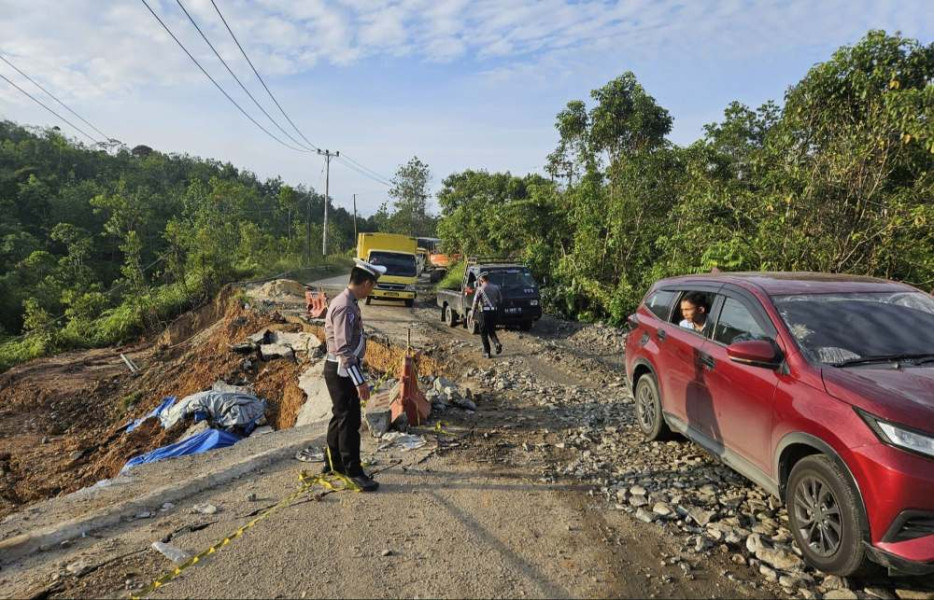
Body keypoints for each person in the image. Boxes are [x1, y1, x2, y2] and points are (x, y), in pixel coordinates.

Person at [321, 259, 386, 492]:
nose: (372, 290)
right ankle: (353, 471)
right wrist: (360, 381)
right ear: (366, 283)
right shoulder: (345, 306)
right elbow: (343, 349)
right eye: (373, 285)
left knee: (340, 416)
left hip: (341, 369)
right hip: (342, 370)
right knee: (350, 420)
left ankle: (333, 462)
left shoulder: (348, 302)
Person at [472, 271, 503, 359]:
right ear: (488, 279)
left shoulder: (480, 289)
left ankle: (487, 352)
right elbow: (500, 300)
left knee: (483, 332)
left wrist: (473, 314)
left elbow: (475, 303)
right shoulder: (496, 287)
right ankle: (497, 343)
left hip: (484, 313)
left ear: (481, 280)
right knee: (491, 330)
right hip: (493, 312)